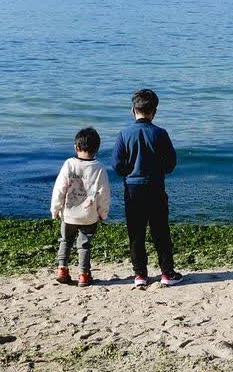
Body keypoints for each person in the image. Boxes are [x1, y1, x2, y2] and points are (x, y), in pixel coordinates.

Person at [111, 89, 183, 288]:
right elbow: (171, 163)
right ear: (155, 112)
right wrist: (158, 169)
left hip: (133, 189)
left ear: (132, 110)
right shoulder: (160, 133)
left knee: (136, 232)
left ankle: (140, 274)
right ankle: (167, 272)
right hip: (155, 187)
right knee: (160, 231)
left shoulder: (124, 134)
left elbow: (117, 164)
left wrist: (129, 171)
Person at [51, 126, 111, 287]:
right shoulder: (99, 168)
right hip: (89, 216)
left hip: (69, 214)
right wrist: (103, 213)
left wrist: (55, 209)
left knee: (65, 240)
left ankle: (62, 269)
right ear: (97, 149)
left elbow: (59, 188)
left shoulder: (69, 164)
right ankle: (84, 275)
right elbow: (104, 193)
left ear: (76, 147)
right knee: (84, 245)